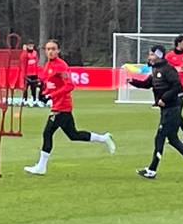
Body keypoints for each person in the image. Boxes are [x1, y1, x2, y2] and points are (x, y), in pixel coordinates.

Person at [24, 39, 116, 175]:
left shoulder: (61, 66)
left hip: (62, 106)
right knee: (73, 134)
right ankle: (103, 138)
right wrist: (44, 92)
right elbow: (51, 84)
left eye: (53, 49)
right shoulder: (48, 65)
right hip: (58, 106)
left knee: (47, 133)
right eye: (48, 49)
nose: (50, 51)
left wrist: (50, 96)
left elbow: (69, 85)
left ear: (58, 50)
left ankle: (41, 167)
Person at [128, 44, 183, 180]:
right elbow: (148, 83)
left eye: (151, 54)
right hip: (167, 110)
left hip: (172, 109)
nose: (149, 56)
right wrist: (132, 81)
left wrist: (164, 98)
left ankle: (152, 170)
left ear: (158, 55)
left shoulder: (168, 69)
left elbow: (177, 86)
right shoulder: (156, 69)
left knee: (160, 137)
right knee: (173, 139)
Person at [23, 42, 42, 107]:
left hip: (34, 73)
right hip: (27, 73)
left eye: (32, 45)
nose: (31, 47)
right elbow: (22, 63)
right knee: (25, 87)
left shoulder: (35, 53)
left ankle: (34, 99)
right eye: (29, 45)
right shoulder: (25, 53)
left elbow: (37, 63)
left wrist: (37, 73)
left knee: (33, 87)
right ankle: (24, 100)